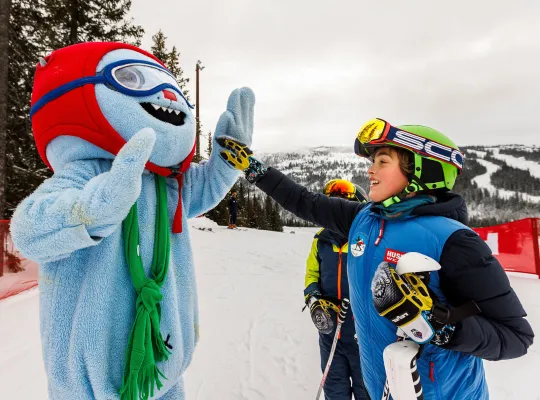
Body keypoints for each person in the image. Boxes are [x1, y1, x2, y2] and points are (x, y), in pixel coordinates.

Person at [219, 118, 534, 400]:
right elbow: (305, 201)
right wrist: (254, 170)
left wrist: (440, 325)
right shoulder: (363, 220)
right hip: (381, 387)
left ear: (421, 170)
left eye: (382, 161)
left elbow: (516, 336)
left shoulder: (453, 240)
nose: (370, 170)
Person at [305, 179, 370, 400]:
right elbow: (312, 274)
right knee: (334, 389)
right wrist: (313, 299)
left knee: (367, 390)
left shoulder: (368, 239)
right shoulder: (321, 240)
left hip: (362, 335)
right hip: (330, 331)